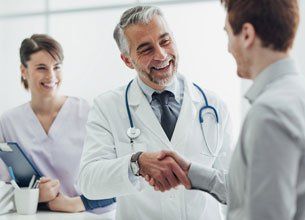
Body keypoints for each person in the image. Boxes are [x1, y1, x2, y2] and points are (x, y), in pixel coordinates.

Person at [147, 0, 305, 220]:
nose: (228, 47)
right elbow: (254, 192)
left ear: (247, 35)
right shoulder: (297, 94)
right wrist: (190, 172)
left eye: (228, 34)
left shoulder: (270, 113)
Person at [78, 5, 233, 220]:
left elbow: (233, 187)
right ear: (127, 60)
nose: (161, 55)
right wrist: (136, 164)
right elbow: (88, 182)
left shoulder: (214, 106)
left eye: (165, 41)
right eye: (145, 49)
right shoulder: (107, 107)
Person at [0, 34, 115, 213]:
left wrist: (78, 203)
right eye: (41, 68)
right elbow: (4, 188)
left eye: (56, 67)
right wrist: (35, 194)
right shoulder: (8, 122)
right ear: (24, 71)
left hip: (89, 215)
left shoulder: (86, 112)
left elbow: (119, 179)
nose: (51, 76)